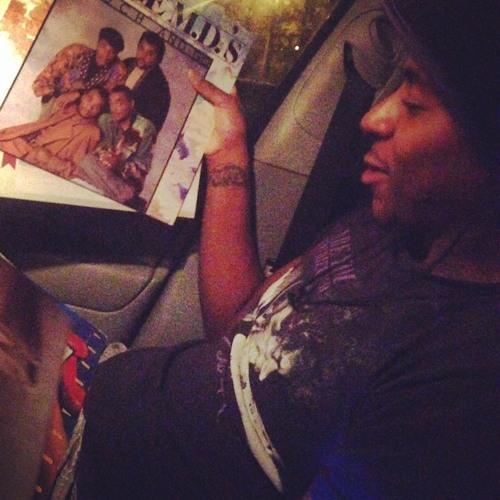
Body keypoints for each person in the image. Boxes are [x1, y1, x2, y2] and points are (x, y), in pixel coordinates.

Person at [75, 0, 499, 498]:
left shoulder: (464, 383)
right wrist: (228, 152)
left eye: (415, 102)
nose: (374, 117)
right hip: (102, 390)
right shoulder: (390, 226)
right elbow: (239, 329)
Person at [75, 85, 156, 207]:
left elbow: (143, 171)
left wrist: (119, 164)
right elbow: (85, 111)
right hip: (104, 173)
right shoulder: (106, 121)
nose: (114, 108)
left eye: (119, 103)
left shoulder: (146, 128)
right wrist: (104, 156)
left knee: (87, 162)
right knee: (83, 166)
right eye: (111, 104)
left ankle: (128, 199)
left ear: (131, 104)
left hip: (127, 182)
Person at [0, 87, 108, 179]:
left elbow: (77, 170)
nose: (89, 107)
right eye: (89, 99)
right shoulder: (68, 108)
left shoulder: (92, 132)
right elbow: (40, 127)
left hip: (44, 165)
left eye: (96, 107)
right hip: (27, 147)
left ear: (99, 111)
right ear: (83, 96)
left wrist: (49, 160)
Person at [32, 27, 126, 117]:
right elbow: (45, 79)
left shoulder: (117, 72)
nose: (106, 54)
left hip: (83, 115)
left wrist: (78, 94)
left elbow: (106, 103)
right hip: (55, 100)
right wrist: (59, 95)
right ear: (97, 44)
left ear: (116, 54)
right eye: (103, 46)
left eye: (112, 52)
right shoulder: (75, 52)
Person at [122, 31, 171, 133]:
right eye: (141, 48)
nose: (143, 56)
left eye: (150, 54)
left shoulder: (160, 88)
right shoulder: (127, 63)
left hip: (129, 132)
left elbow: (151, 127)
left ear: (158, 59)